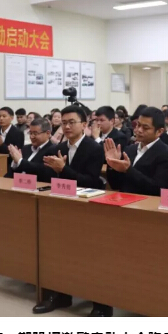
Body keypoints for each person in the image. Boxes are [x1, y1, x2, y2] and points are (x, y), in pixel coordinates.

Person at [35, 104, 107, 317]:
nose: (66, 127)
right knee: (57, 251)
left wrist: (63, 169)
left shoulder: (94, 148)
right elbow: (50, 179)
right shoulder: (58, 148)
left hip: (87, 209)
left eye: (71, 122)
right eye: (63, 123)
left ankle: (101, 303)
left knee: (91, 256)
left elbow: (92, 182)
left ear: (84, 125)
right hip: (61, 206)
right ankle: (60, 295)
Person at [105, 105, 168, 196]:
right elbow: (115, 185)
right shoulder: (129, 149)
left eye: (145, 128)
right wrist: (113, 165)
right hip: (125, 200)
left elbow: (158, 189)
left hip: (149, 203)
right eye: (138, 125)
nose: (139, 130)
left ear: (159, 131)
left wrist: (129, 170)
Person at [4, 118, 57, 182]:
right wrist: (15, 162)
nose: (31, 136)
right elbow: (12, 172)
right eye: (30, 133)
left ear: (48, 133)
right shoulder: (25, 148)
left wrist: (20, 161)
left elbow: (41, 170)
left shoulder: (53, 150)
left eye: (35, 133)